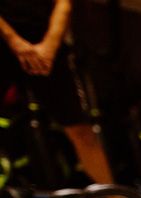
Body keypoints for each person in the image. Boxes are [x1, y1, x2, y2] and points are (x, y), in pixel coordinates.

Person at [0, 0, 114, 186]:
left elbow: (64, 3)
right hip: (4, 38)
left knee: (80, 128)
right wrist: (15, 41)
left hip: (45, 44)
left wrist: (50, 46)